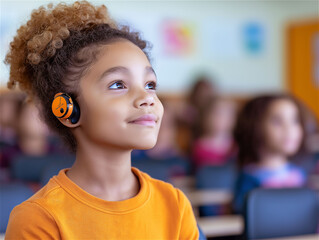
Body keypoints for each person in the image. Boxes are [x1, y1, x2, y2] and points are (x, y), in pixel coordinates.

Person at [4, 1, 199, 239]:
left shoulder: (175, 204)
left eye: (150, 85)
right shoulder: (38, 218)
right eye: (118, 84)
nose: (147, 98)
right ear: (66, 109)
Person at [233, 94, 307, 214]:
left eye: (294, 121)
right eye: (277, 121)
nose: (289, 129)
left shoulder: (300, 174)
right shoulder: (249, 178)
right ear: (255, 127)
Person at [192, 96, 237, 169]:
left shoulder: (236, 146)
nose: (222, 119)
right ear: (207, 117)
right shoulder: (199, 147)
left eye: (227, 115)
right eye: (218, 114)